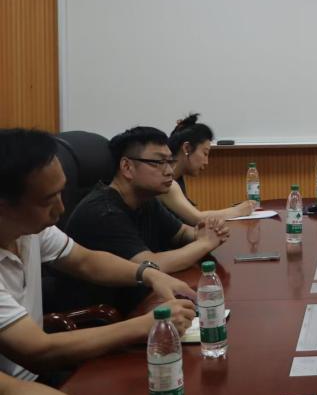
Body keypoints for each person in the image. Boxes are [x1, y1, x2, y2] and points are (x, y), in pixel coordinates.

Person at [0, 129, 195, 383]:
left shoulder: (30, 230)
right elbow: (38, 350)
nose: (61, 208)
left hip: (45, 373)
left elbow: (86, 261)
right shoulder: (98, 211)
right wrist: (146, 325)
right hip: (23, 383)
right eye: (48, 200)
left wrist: (149, 274)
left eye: (61, 193)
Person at [63, 126, 229, 313]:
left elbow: (181, 233)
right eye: (159, 162)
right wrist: (205, 243)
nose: (169, 171)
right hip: (106, 317)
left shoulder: (145, 199)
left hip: (141, 300)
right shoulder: (104, 212)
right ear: (127, 167)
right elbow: (149, 265)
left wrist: (205, 232)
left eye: (170, 162)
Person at [164, 113, 255, 224]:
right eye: (205, 153)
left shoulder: (177, 178)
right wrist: (238, 211)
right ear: (187, 148)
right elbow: (197, 218)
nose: (206, 162)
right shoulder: (166, 182)